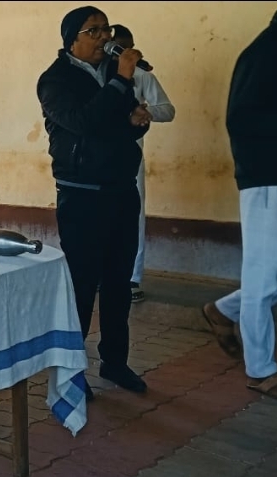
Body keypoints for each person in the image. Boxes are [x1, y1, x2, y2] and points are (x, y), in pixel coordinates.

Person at [37, 6, 152, 397]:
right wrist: (120, 82)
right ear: (72, 39)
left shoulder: (112, 74)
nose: (105, 37)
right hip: (82, 195)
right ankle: (71, 371)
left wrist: (136, 119)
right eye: (94, 30)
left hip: (121, 190)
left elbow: (116, 123)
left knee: (118, 283)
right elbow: (84, 123)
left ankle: (115, 363)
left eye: (106, 29)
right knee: (82, 285)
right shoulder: (55, 80)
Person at [201, 1, 277, 405]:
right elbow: (241, 118)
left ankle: (224, 310)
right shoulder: (268, 49)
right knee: (263, 274)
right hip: (268, 177)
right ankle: (261, 371)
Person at [111, 24, 177, 303]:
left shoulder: (142, 77)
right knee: (104, 215)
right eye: (119, 47)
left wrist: (145, 112)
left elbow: (168, 110)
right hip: (98, 159)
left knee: (133, 215)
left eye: (129, 47)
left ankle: (132, 278)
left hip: (131, 157)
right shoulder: (96, 77)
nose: (126, 53)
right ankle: (106, 274)